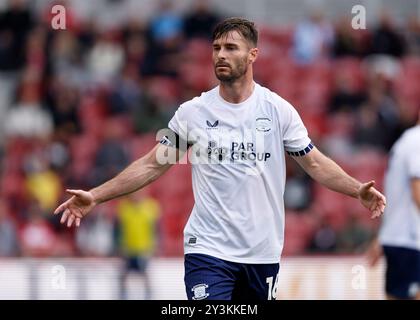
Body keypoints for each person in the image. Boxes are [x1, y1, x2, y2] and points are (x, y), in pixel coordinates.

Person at [54, 17, 386, 300]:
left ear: (252, 54)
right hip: (208, 250)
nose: (220, 55)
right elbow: (152, 164)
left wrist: (357, 189)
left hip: (262, 252)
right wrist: (95, 195)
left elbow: (314, 163)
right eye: (216, 49)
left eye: (231, 48)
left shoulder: (278, 110)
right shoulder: (193, 113)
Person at [367, 109, 420, 300]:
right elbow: (418, 192)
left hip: (401, 238)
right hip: (410, 239)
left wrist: (383, 236)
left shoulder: (406, 141)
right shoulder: (417, 142)